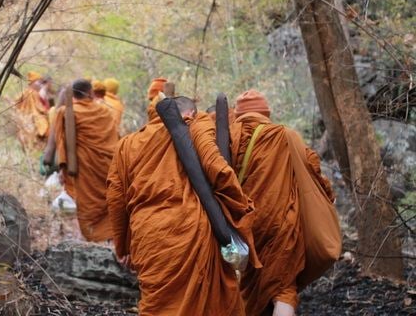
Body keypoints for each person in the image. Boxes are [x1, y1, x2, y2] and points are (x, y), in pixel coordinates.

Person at [106, 95, 259, 315]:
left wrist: (123, 246)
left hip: (149, 234)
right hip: (192, 230)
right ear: (190, 114)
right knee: (213, 304)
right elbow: (219, 170)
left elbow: (116, 199)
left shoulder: (126, 145)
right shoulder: (196, 128)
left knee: (157, 305)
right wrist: (237, 211)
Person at [229, 89, 336, 316]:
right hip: (281, 223)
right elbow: (313, 167)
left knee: (250, 280)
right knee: (284, 286)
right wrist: (327, 195)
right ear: (266, 113)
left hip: (244, 225)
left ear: (238, 114)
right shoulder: (285, 136)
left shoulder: (227, 137)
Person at [54, 79, 119, 242]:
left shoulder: (65, 112)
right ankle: (111, 233)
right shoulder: (105, 111)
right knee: (108, 198)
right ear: (90, 93)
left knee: (88, 202)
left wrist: (63, 167)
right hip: (107, 164)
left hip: (85, 166)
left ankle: (94, 235)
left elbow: (61, 141)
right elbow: (114, 138)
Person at [14, 71, 51, 151]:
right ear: (33, 82)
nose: (41, 85)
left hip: (26, 119)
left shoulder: (34, 92)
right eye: (39, 82)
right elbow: (39, 108)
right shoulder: (31, 93)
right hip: (31, 118)